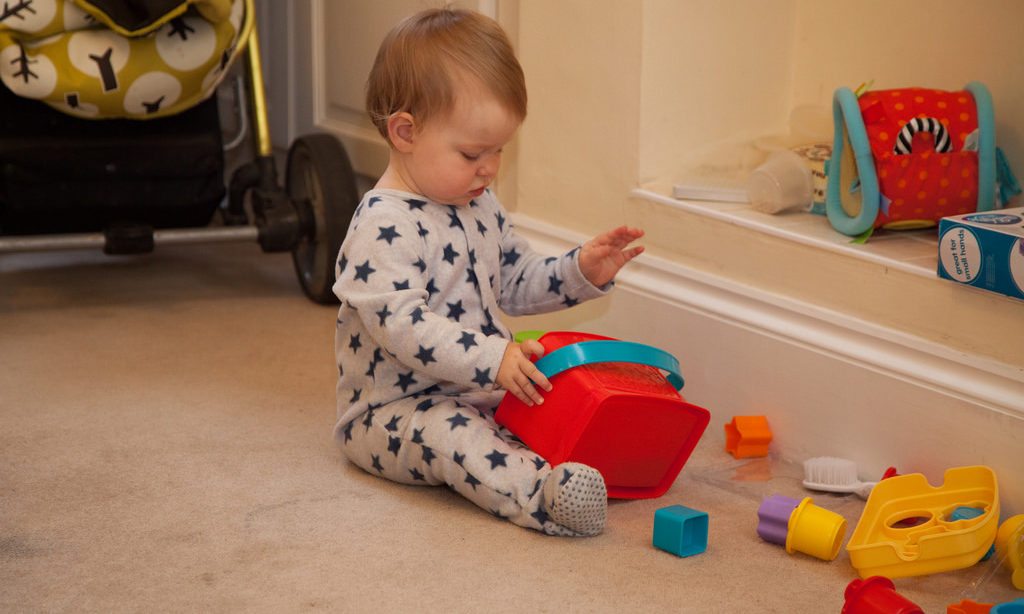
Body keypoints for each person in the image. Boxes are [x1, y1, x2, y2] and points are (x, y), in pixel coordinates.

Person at [332, 7, 644, 537]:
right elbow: (404, 329)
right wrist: (493, 358)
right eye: (473, 152)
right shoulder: (381, 225)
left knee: (555, 386)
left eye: (500, 151)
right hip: (395, 413)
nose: (491, 168)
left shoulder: (478, 203)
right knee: (455, 437)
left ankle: (589, 462)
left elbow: (516, 280)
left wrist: (580, 270)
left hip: (480, 385)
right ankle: (543, 500)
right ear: (404, 132)